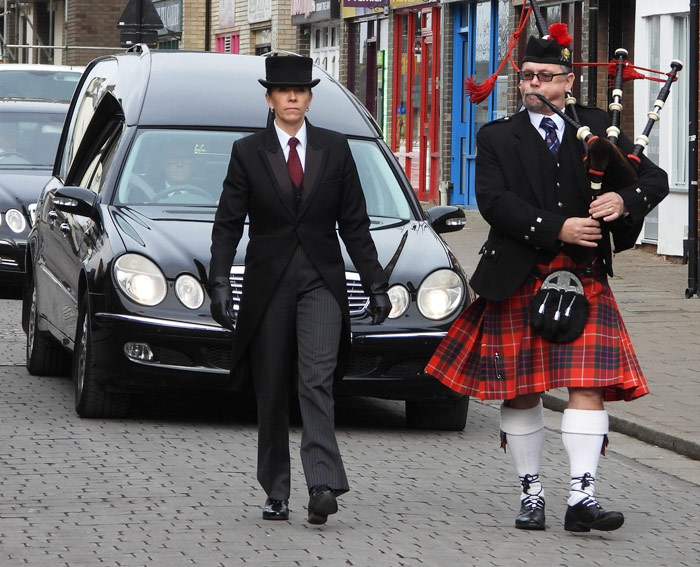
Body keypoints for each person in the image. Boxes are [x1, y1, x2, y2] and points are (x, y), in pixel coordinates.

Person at [426, 28, 669, 532]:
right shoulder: (497, 136)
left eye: (545, 76)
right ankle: (531, 493)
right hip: (518, 275)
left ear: (568, 81)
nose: (534, 83)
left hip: (583, 276)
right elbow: (493, 202)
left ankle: (582, 495)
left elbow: (655, 179)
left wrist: (624, 200)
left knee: (589, 384)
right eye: (527, 76)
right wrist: (557, 227)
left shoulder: (601, 127)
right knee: (520, 390)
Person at [208, 55, 391, 525]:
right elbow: (228, 224)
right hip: (267, 283)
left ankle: (322, 484)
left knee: (316, 379)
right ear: (269, 99)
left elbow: (354, 223)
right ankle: (275, 490)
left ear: (310, 98)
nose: (293, 98)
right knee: (271, 387)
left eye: (301, 91)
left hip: (321, 282)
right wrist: (220, 280)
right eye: (283, 91)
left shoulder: (334, 148)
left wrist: (375, 283)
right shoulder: (248, 151)